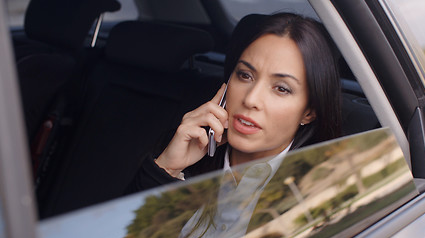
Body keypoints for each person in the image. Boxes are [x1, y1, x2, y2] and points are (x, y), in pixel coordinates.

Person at [125, 12, 341, 195]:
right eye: (245, 75)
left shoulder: (321, 189)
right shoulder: (181, 149)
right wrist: (166, 169)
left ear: (309, 112)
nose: (250, 99)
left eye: (281, 88)